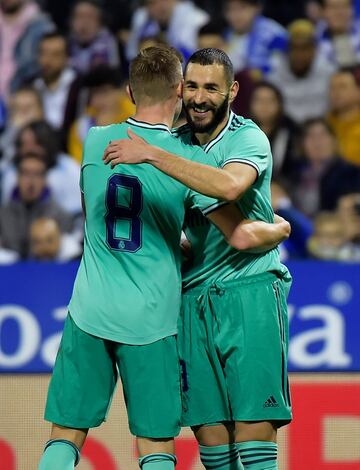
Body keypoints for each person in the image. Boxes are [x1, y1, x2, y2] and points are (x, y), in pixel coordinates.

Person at [38, 46, 289, 470]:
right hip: (170, 309)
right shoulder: (186, 152)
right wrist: (282, 228)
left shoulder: (99, 140)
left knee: (65, 433)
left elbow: (94, 215)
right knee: (176, 440)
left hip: (111, 304)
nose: (199, 96)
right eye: (192, 85)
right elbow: (237, 232)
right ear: (178, 88)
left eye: (211, 87)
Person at [0, 153, 73, 259]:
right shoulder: (2, 215)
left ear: (45, 179)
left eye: (37, 174)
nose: (31, 181)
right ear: (17, 177)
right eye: (26, 173)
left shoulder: (61, 217)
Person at [268, 19, 335, 124]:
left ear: (314, 50)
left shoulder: (330, 74)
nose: (299, 55)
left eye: (305, 48)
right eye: (294, 48)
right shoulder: (273, 78)